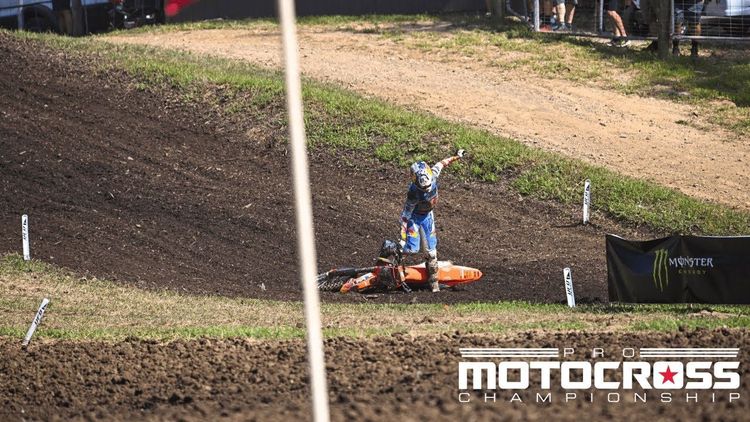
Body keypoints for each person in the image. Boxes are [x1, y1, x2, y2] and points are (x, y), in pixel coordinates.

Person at [399, 150, 465, 292]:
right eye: (423, 188)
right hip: (415, 219)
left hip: (428, 216)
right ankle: (394, 263)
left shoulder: (433, 175)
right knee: (410, 249)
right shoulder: (413, 193)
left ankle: (434, 285)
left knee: (431, 253)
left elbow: (442, 163)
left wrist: (457, 156)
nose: (427, 190)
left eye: (428, 186)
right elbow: (405, 215)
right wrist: (402, 238)